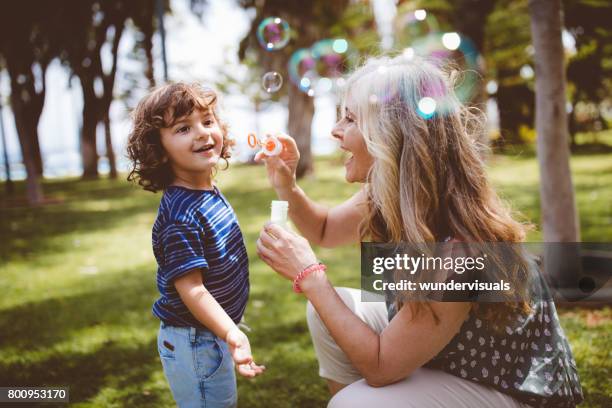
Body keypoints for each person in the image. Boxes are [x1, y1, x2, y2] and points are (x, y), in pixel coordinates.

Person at [255, 55, 583, 407]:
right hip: (451, 358)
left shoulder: (462, 250)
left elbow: (381, 367)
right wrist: (287, 187)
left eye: (350, 118)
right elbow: (323, 230)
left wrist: (311, 276)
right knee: (336, 317)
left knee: (356, 402)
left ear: (391, 137)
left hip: (510, 390)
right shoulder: (389, 192)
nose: (335, 130)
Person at [127, 83, 264, 408]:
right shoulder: (180, 215)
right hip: (195, 341)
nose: (202, 133)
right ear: (158, 149)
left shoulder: (206, 191)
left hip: (207, 333)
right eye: (183, 128)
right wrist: (232, 333)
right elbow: (193, 290)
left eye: (207, 120)